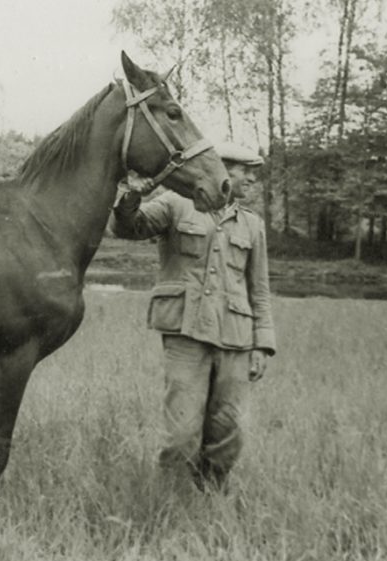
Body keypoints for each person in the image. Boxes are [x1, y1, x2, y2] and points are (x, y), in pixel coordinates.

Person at [111, 142, 276, 492]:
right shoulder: (175, 204)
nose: (251, 179)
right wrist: (131, 198)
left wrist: (262, 344)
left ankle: (211, 497)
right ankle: (171, 500)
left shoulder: (252, 225)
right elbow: (128, 228)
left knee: (228, 431)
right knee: (182, 432)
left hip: (236, 338)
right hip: (184, 333)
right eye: (245, 170)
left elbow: (258, 289)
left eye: (253, 173)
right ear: (221, 168)